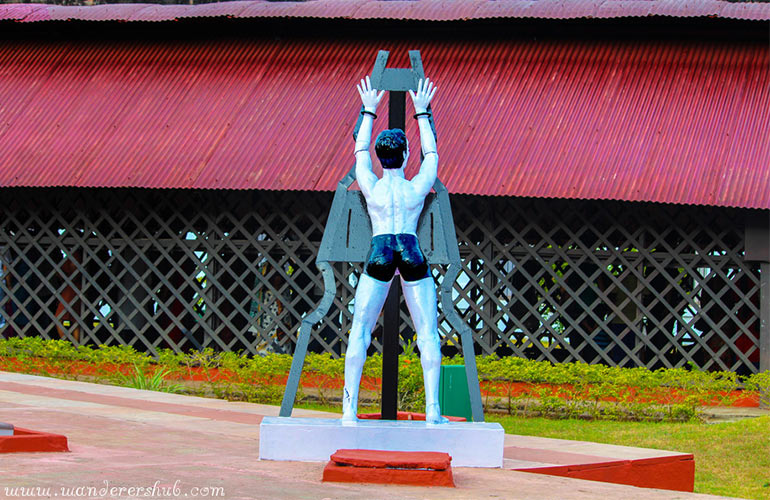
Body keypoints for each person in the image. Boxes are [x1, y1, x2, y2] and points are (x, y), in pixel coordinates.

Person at [342, 76, 448, 424]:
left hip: (381, 248)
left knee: (359, 330)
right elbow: (431, 155)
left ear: (381, 157)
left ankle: (348, 411)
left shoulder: (371, 186)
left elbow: (359, 153)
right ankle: (433, 411)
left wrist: (369, 110)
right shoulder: (415, 188)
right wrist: (421, 113)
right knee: (427, 333)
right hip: (410, 248)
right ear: (404, 155)